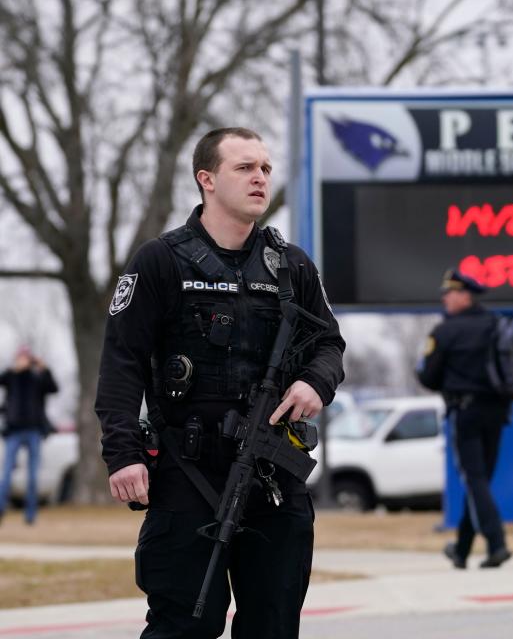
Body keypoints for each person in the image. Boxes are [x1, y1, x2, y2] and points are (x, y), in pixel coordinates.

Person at [95, 127, 346, 639]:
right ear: (206, 179)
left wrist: (315, 385)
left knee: (273, 624)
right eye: (245, 168)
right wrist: (122, 453)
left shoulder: (291, 266)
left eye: (265, 169)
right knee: (185, 624)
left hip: (273, 474)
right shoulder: (161, 261)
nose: (260, 178)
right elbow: (122, 360)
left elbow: (329, 344)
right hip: (187, 473)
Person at [416, 268, 513, 570]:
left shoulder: (445, 332)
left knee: (475, 480)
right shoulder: (496, 325)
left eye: (450, 293)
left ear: (465, 295)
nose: (445, 298)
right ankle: (461, 549)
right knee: (480, 481)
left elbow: (429, 378)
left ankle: (497, 544)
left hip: (465, 412)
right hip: (497, 411)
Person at [0, 346, 58, 525]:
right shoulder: (11, 377)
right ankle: (1, 510)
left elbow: (54, 388)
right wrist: (11, 370)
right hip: (14, 431)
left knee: (33, 477)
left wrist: (45, 368)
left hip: (33, 431)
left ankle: (30, 516)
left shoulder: (37, 377)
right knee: (6, 474)